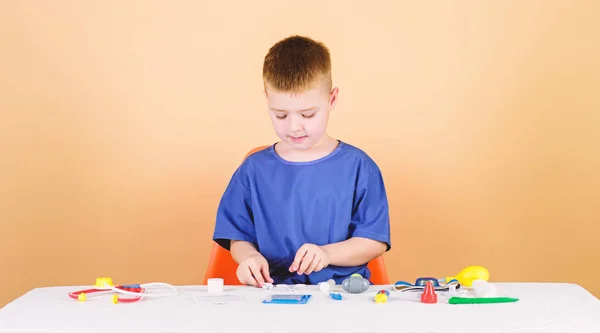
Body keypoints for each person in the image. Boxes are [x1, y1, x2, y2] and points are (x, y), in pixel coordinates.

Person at [212, 35, 391, 287]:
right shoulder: (253, 170)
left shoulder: (359, 168)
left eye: (307, 114)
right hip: (270, 296)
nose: (294, 127)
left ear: (332, 99)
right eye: (281, 115)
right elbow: (237, 237)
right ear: (267, 100)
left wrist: (327, 254)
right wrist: (249, 258)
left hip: (342, 296)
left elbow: (374, 241)